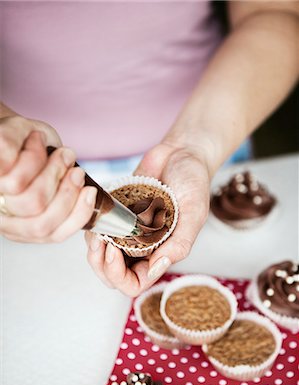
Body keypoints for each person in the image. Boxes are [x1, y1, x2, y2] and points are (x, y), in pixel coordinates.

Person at [0, 1, 298, 296]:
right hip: (27, 176)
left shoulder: (202, 147)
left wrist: (193, 147)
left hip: (216, 134)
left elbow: (273, 12)